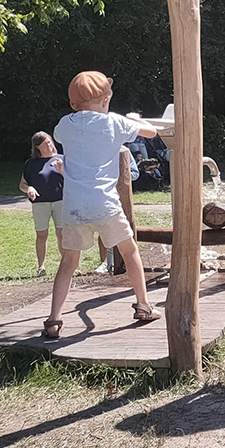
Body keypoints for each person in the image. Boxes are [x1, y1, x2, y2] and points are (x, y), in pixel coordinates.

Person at [43, 71, 160, 340]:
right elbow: (152, 132)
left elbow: (60, 135)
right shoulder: (114, 122)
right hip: (105, 203)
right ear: (106, 99)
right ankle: (143, 305)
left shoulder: (65, 125)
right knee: (130, 252)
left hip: (74, 205)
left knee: (68, 262)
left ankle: (53, 320)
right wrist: (135, 119)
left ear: (73, 103)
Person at [20, 131, 64, 276]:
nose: (49, 145)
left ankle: (67, 265)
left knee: (62, 234)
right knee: (41, 235)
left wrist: (62, 170)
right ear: (37, 147)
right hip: (40, 203)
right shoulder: (31, 164)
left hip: (61, 201)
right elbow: (22, 184)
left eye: (50, 142)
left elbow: (73, 180)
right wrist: (29, 189)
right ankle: (41, 267)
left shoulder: (61, 159)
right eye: (45, 144)